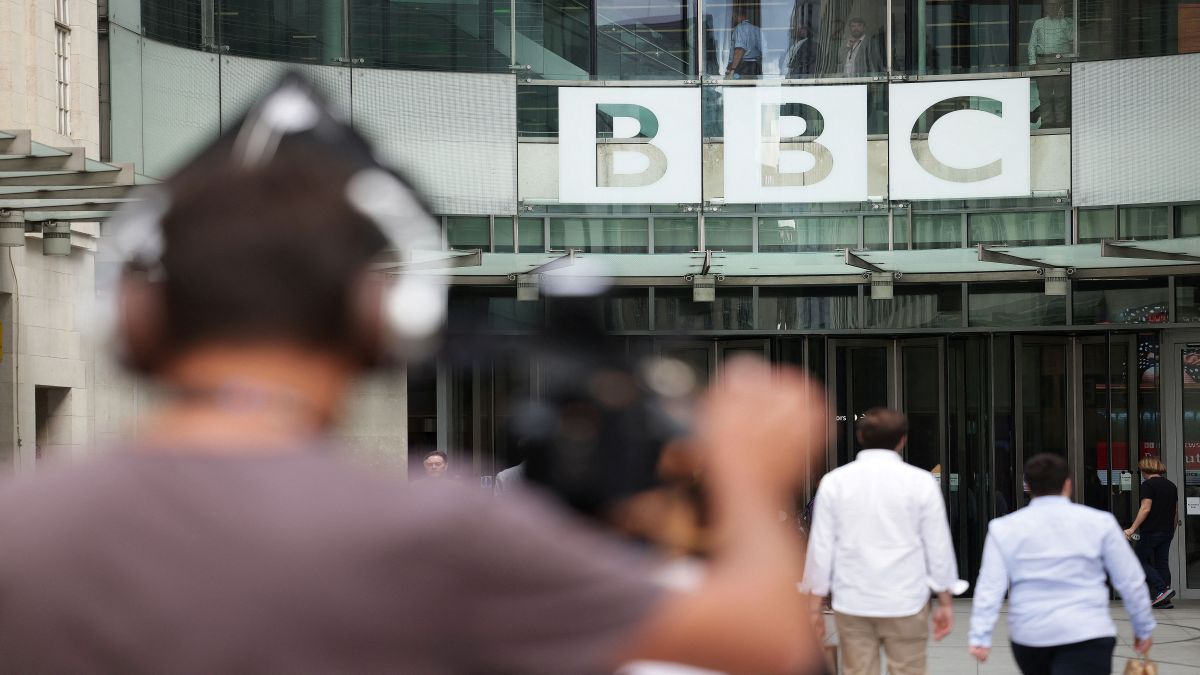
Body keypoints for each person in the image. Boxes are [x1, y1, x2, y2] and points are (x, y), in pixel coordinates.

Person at [0, 76, 830, 674]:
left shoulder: (20, 527)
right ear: (380, 320)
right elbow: (763, 636)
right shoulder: (435, 531)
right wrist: (747, 477)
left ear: (134, 319)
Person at [800, 408, 965, 675]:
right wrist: (945, 598)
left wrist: (814, 604)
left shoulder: (835, 482)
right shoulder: (920, 482)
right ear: (902, 440)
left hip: (853, 598)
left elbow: (820, 547)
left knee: (859, 671)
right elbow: (937, 545)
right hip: (907, 598)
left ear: (860, 436)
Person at [968, 453, 1155, 675]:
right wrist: (1142, 627)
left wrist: (981, 634)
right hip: (1088, 631)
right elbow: (1130, 579)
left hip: (1031, 635)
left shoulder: (1003, 528)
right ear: (1068, 484)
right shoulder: (1100, 523)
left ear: (1028, 486)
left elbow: (991, 584)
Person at [1124, 456, 1179, 608]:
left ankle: (1162, 590)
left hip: (1151, 530)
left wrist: (1132, 529)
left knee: (1138, 560)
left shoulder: (1148, 485)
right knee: (1162, 563)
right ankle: (1164, 600)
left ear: (1145, 469)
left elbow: (1145, 508)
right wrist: (1172, 530)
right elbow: (1175, 511)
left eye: (1140, 469)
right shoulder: (1171, 485)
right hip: (1167, 531)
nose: (1140, 472)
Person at [1028, 1, 1074, 127]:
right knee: (1044, 96)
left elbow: (1072, 38)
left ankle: (1061, 122)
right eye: (1049, 5)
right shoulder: (1039, 23)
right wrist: (1032, 62)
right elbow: (1032, 44)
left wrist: (1063, 20)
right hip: (1043, 62)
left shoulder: (1067, 22)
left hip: (1062, 62)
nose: (1052, 7)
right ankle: (1046, 122)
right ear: (1045, 7)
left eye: (1055, 5)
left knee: (1061, 95)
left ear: (1060, 6)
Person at [724, 8, 762, 79]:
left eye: (734, 17)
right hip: (756, 66)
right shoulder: (756, 29)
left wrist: (732, 70)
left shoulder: (740, 28)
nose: (733, 20)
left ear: (740, 16)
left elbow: (739, 50)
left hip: (744, 67)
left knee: (741, 88)